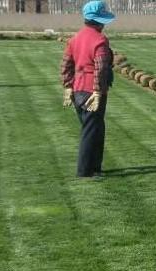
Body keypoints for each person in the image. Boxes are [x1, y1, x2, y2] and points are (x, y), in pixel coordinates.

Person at [61, 0, 115, 178]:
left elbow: (66, 64)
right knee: (91, 131)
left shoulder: (75, 38)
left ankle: (96, 167)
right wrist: (98, 92)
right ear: (99, 21)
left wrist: (68, 86)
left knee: (95, 128)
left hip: (78, 90)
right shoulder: (100, 40)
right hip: (93, 91)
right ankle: (85, 171)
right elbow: (101, 68)